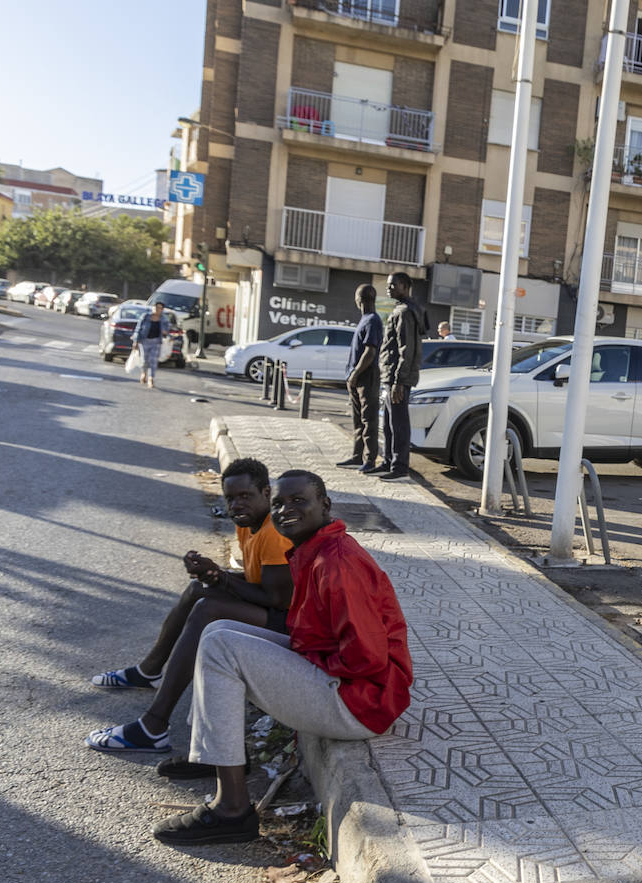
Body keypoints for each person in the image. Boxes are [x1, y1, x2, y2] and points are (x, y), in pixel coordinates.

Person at [151, 470, 412, 844]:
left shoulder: (336, 563)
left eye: (299, 501)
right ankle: (216, 752)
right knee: (217, 632)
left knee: (223, 647)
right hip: (347, 684)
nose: (286, 510)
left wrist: (306, 663)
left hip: (361, 705)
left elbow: (366, 658)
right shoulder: (315, 549)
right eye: (279, 504)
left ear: (325, 505)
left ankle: (232, 809)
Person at [87, 458, 293, 772]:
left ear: (266, 492)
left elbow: (277, 600)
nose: (236, 504)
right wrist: (213, 574)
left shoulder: (273, 533)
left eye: (245, 496)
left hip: (293, 624)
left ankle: (153, 725)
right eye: (230, 498)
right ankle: (149, 670)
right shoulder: (248, 524)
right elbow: (256, 583)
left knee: (208, 608)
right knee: (199, 590)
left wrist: (222, 580)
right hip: (274, 610)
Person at [368, 271, 424, 482]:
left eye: (392, 285)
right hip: (389, 376)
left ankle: (400, 468)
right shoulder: (401, 309)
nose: (388, 289)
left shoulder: (405, 312)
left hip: (396, 378)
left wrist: (399, 381)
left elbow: (406, 349)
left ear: (403, 285)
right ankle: (388, 461)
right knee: (389, 423)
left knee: (398, 424)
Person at [336, 285, 384, 474]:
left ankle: (370, 460)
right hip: (356, 378)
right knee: (358, 420)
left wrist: (355, 374)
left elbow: (370, 352)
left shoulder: (372, 321)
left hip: (367, 377)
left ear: (359, 300)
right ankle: (357, 456)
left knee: (368, 420)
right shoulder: (365, 320)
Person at [132, 301, 169, 388]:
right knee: (145, 359)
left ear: (162, 310)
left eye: (160, 308)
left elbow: (166, 331)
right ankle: (144, 373)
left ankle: (151, 378)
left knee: (153, 361)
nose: (157, 310)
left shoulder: (164, 319)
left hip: (156, 342)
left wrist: (165, 333)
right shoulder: (146, 316)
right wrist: (135, 341)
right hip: (145, 340)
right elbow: (138, 329)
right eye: (156, 307)